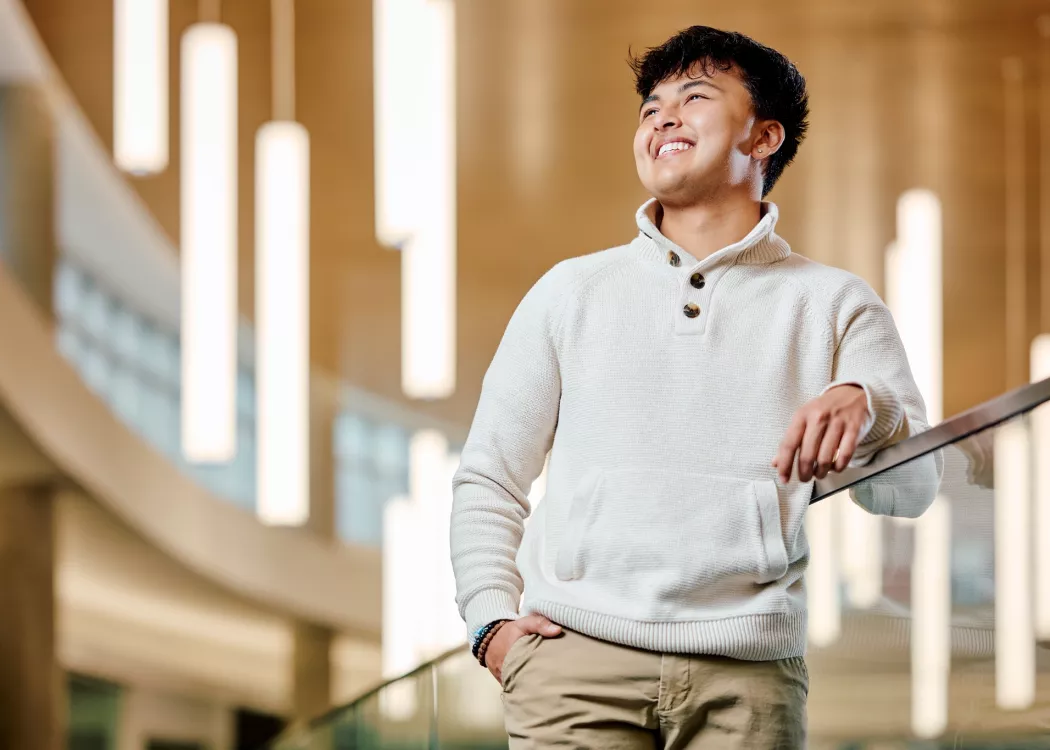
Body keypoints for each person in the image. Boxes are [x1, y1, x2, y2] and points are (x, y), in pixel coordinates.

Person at [450, 25, 937, 749]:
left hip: (749, 678)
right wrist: (492, 625)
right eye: (650, 107)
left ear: (764, 137)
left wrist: (870, 404)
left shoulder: (836, 303)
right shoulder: (570, 292)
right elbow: (489, 474)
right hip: (573, 666)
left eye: (695, 96)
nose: (662, 117)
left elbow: (914, 490)